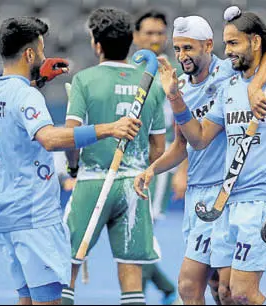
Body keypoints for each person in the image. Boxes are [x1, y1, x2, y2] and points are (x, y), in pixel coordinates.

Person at [156, 6, 266, 305]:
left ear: (254, 42)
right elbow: (198, 139)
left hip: (265, 197)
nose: (228, 51)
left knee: (244, 294)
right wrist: (175, 97)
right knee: (224, 292)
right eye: (226, 44)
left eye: (233, 43)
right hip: (227, 201)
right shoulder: (229, 87)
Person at [0, 16, 141, 305]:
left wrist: (38, 79)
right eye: (40, 51)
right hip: (33, 216)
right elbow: (50, 139)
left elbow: (14, 117)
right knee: (49, 301)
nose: (43, 56)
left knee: (26, 298)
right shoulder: (26, 96)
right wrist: (109, 128)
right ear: (29, 54)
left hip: (4, 213)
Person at [134, 13, 266, 305]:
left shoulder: (228, 70)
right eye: (177, 49)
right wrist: (152, 170)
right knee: (191, 288)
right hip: (197, 196)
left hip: (227, 195)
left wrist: (254, 87)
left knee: (227, 291)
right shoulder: (181, 88)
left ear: (208, 45)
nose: (181, 55)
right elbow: (182, 146)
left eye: (188, 48)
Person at [62, 8, 166, 305]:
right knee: (131, 277)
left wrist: (73, 168)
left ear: (97, 44)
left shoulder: (85, 79)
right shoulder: (152, 84)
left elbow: (72, 137)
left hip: (93, 182)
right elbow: (158, 148)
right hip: (133, 187)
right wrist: (142, 172)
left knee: (66, 266)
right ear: (131, 41)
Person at [133, 9, 181, 304]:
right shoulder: (124, 70)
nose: (154, 38)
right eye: (148, 33)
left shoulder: (174, 74)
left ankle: (135, 295)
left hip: (157, 166)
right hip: (127, 163)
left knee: (140, 235)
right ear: (136, 36)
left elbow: (183, 126)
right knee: (133, 237)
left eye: (160, 33)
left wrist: (182, 172)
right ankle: (163, 286)